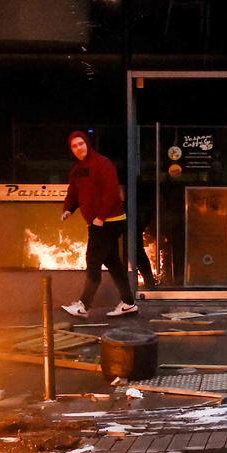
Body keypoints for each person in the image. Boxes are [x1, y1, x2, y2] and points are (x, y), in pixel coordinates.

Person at [59, 131, 138, 318]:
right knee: (114, 264)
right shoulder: (77, 170)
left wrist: (100, 217)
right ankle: (128, 303)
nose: (79, 148)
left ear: (88, 143)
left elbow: (112, 193)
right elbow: (74, 192)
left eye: (81, 144)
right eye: (74, 146)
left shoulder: (103, 164)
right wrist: (68, 209)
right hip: (100, 223)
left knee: (93, 261)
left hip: (108, 222)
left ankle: (83, 306)